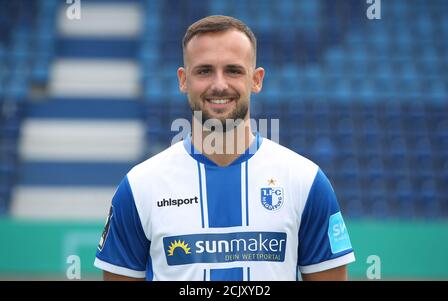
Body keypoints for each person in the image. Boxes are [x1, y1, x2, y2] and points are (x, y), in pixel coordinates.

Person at [94, 15, 355, 281]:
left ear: (256, 79)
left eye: (233, 70)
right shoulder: (140, 187)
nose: (219, 84)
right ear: (184, 80)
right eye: (204, 71)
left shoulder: (305, 182)